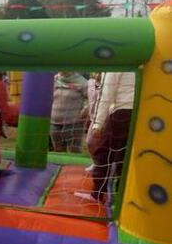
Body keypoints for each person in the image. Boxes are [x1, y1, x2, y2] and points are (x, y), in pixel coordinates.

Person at [88, 72, 135, 201]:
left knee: (103, 152)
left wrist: (98, 123)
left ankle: (97, 193)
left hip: (122, 112)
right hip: (136, 111)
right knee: (123, 156)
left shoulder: (116, 67)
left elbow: (107, 94)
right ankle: (120, 195)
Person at [50, 72, 88, 153]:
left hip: (74, 123)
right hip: (54, 123)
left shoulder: (82, 82)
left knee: (74, 151)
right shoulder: (54, 80)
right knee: (58, 151)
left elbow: (91, 97)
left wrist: (86, 108)